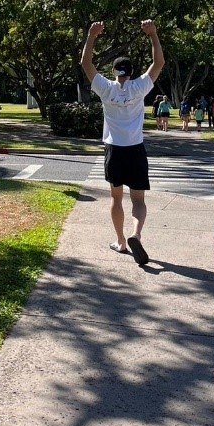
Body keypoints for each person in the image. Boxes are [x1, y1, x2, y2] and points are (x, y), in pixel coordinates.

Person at [81, 19, 165, 266]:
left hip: (114, 150)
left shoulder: (106, 89)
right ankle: (136, 234)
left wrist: (91, 35)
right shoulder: (139, 87)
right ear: (130, 71)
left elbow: (86, 63)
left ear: (114, 72)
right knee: (138, 201)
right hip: (135, 149)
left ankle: (121, 242)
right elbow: (158, 63)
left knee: (116, 199)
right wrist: (153, 34)